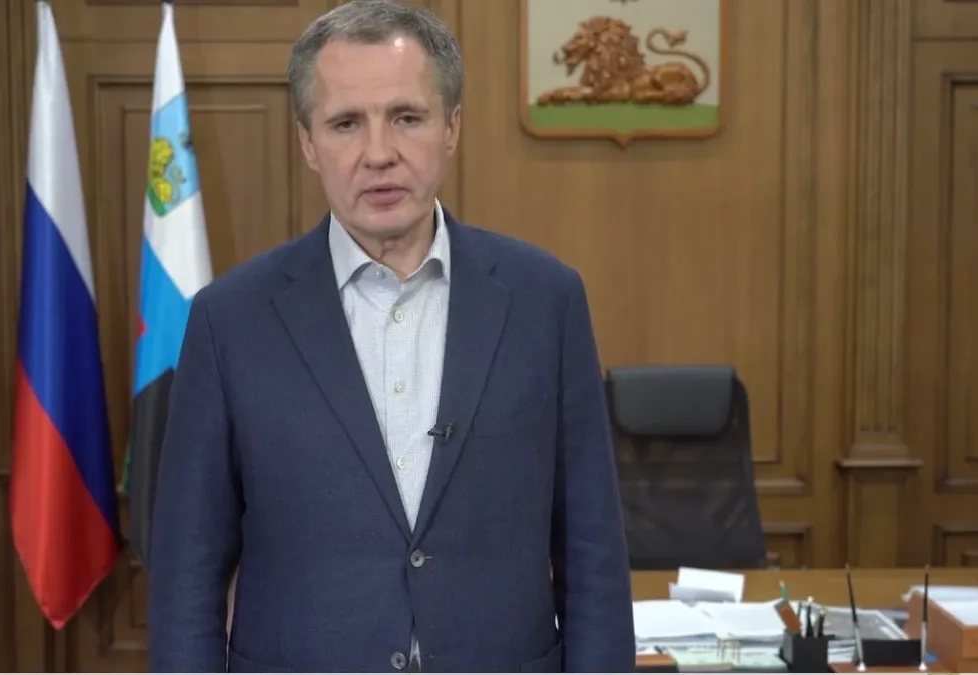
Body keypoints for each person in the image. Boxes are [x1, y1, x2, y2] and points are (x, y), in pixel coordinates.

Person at [146, 0, 635, 671]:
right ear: (308, 142)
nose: (379, 153)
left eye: (407, 117)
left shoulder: (545, 301)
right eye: (346, 123)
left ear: (451, 127)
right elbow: (186, 574)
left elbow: (593, 551)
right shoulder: (229, 321)